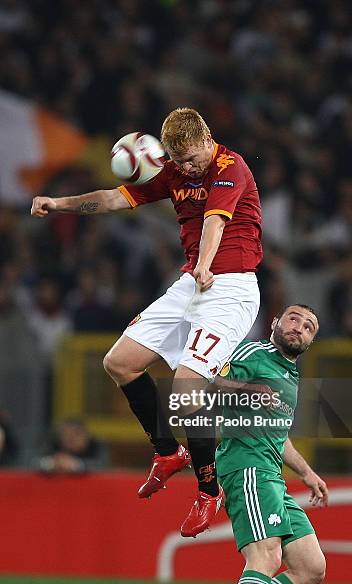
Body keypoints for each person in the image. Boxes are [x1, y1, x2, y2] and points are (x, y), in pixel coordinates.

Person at [31, 107, 262, 536]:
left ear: (207, 139)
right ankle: (167, 451)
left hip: (229, 287)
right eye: (180, 162)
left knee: (187, 390)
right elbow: (116, 197)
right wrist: (58, 203)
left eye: (193, 159)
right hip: (191, 283)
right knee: (119, 362)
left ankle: (209, 490)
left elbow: (214, 221)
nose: (189, 168)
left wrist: (206, 265)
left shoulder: (232, 167)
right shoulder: (175, 171)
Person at [215, 304, 328, 584]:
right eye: (294, 318)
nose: (299, 327)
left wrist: (306, 472)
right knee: (266, 556)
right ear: (276, 322)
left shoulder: (289, 374)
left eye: (309, 327)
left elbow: (278, 435)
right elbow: (210, 383)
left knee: (311, 567)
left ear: (310, 342)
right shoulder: (254, 352)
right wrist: (249, 390)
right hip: (246, 466)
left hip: (272, 475)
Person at [35, 417, 110, 474]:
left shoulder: (96, 446)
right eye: (66, 435)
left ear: (86, 436)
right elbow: (31, 463)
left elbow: (103, 466)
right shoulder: (53, 445)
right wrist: (51, 463)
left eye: (76, 435)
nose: (71, 439)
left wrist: (75, 465)